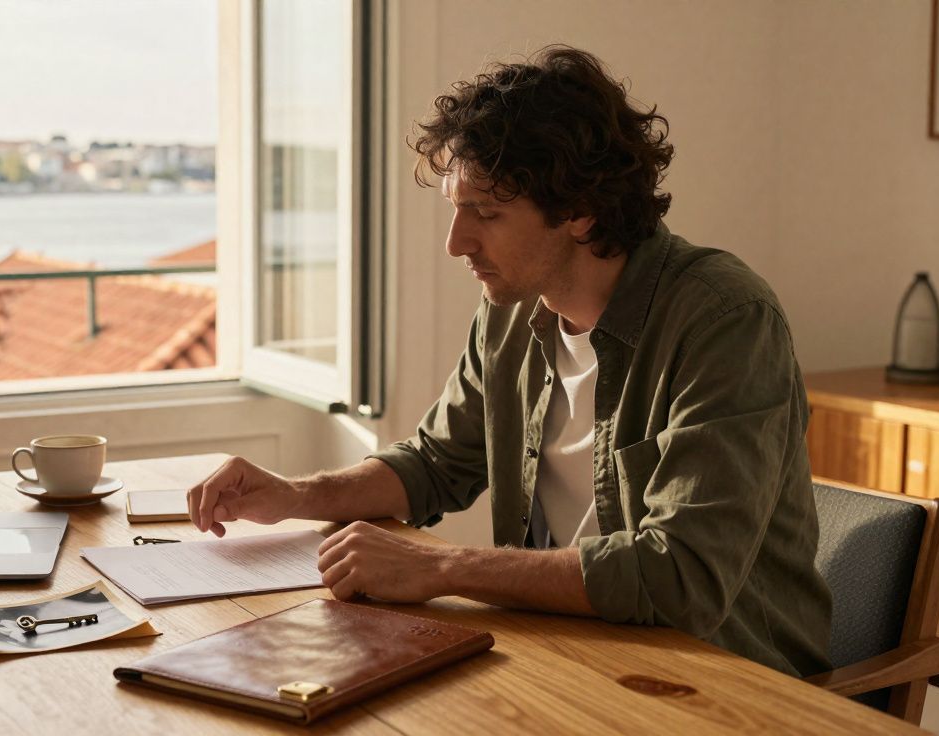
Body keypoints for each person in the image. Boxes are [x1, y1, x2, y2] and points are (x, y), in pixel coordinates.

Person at [186, 45, 831, 677]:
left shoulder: (725, 321)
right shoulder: (513, 311)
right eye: (456, 209)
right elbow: (436, 464)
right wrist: (293, 495)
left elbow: (681, 575)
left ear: (580, 211)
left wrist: (439, 570)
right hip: (567, 657)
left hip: (723, 680)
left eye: (486, 213)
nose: (456, 242)